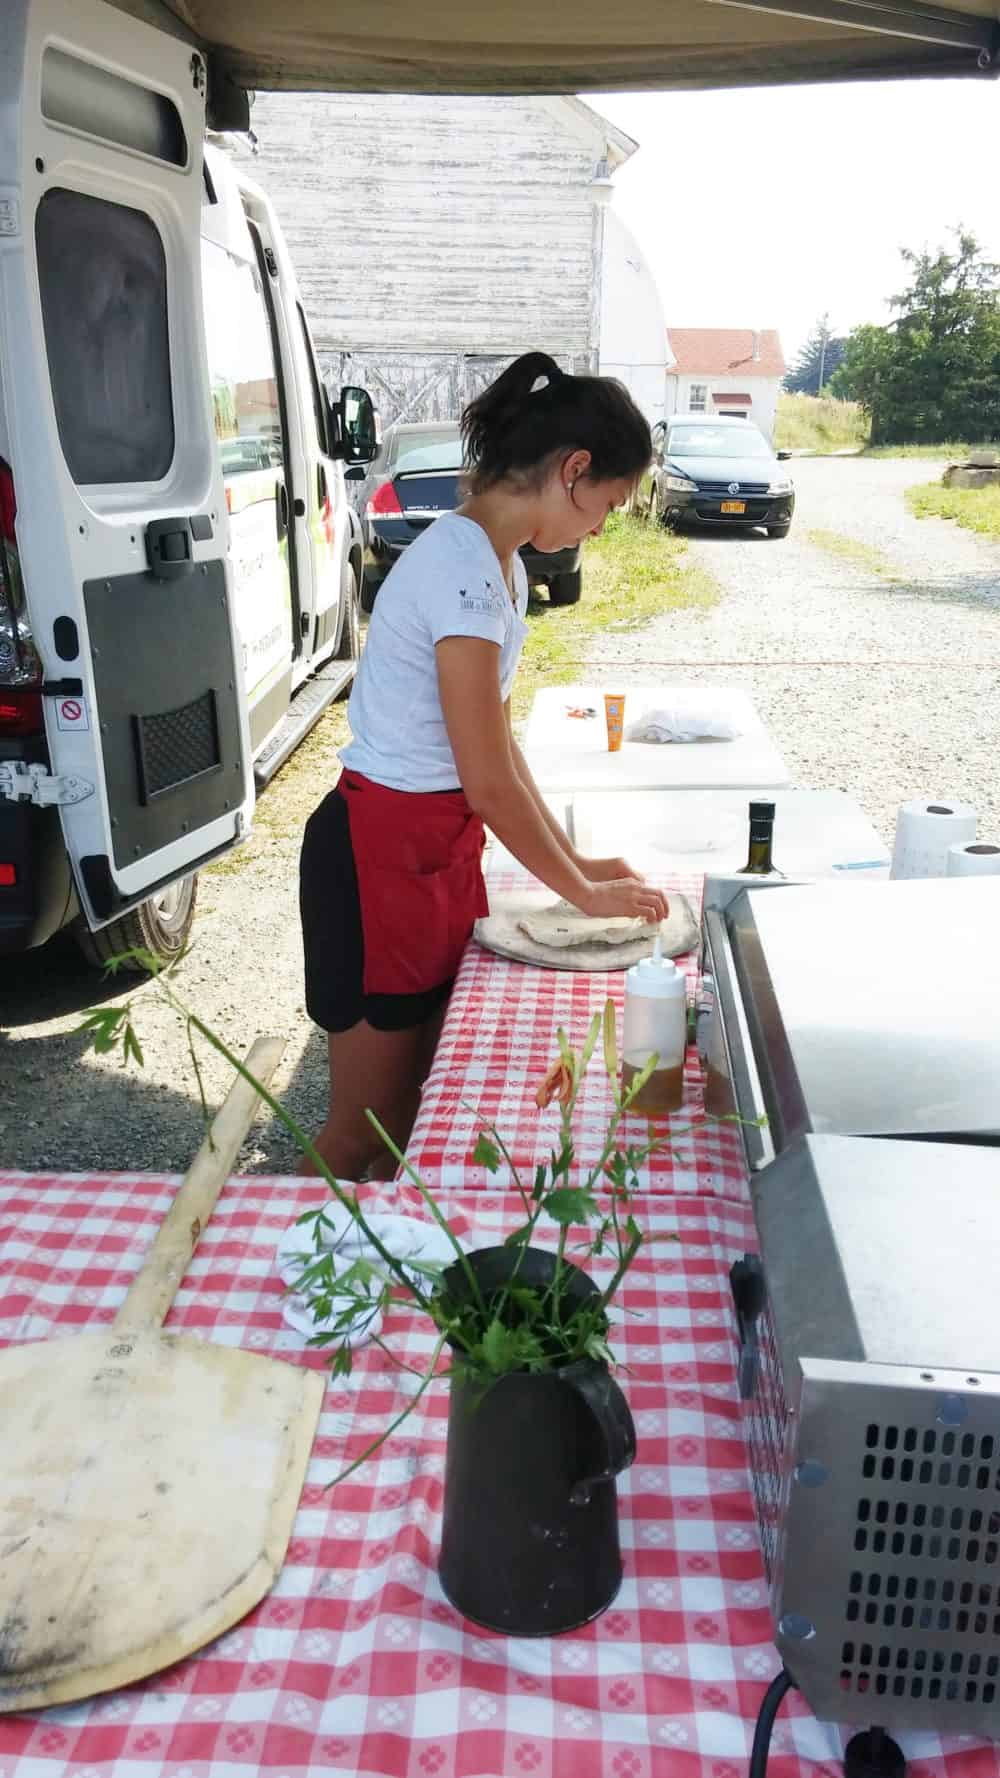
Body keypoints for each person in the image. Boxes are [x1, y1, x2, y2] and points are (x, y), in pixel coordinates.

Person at [299, 351, 669, 1180]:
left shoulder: (494, 566)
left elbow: (499, 745)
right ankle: (266, 1266)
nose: (601, 527)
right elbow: (486, 778)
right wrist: (581, 894)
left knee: (417, 1113)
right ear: (573, 472)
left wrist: (577, 864)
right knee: (366, 1130)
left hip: (428, 849)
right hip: (374, 855)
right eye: (607, 504)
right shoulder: (461, 572)